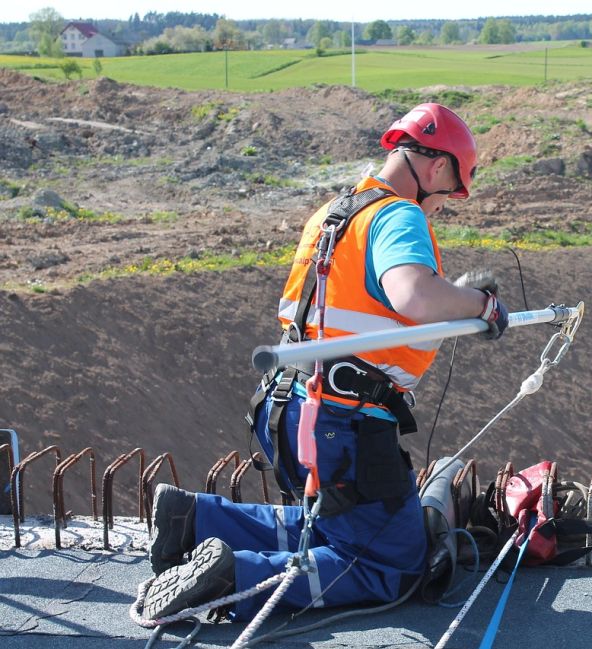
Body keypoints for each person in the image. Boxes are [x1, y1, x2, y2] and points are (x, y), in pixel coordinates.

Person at [143, 103, 509, 621]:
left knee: (342, 526)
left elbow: (361, 307)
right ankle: (234, 576)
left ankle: (195, 520)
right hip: (345, 421)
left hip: (289, 404)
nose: (444, 205)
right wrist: (483, 305)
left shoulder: (338, 210)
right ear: (436, 167)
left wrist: (455, 297)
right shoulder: (398, 213)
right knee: (391, 563)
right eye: (450, 191)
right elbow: (412, 296)